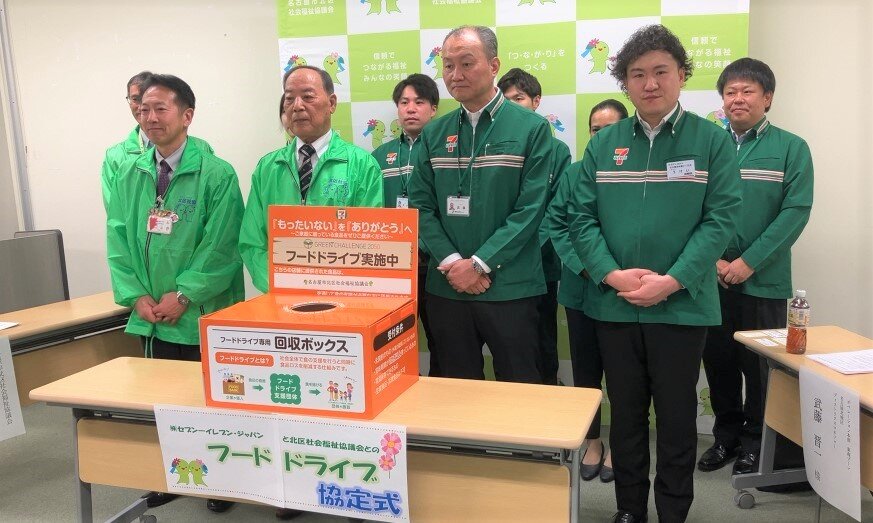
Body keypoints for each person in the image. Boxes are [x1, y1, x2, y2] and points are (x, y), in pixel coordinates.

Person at [567, 24, 741, 523]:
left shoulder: (711, 140)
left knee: (677, 418)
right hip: (615, 306)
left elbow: (721, 218)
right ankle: (629, 510)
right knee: (624, 417)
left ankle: (672, 512)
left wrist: (673, 280)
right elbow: (581, 216)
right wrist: (611, 275)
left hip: (682, 308)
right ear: (625, 82)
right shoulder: (604, 144)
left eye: (661, 71)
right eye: (637, 74)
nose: (649, 83)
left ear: (682, 75)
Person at [106, 74, 245, 514]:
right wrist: (136, 296)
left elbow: (222, 245)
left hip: (200, 312)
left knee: (211, 403)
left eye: (160, 108)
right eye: (143, 109)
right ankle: (174, 475)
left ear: (187, 115)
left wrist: (183, 295)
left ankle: (222, 481)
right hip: (151, 314)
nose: (149, 117)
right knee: (164, 404)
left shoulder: (217, 174)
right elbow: (118, 238)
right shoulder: (130, 172)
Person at [408, 26, 554, 384]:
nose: (455, 75)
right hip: (448, 287)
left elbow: (531, 209)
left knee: (519, 389)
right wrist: (452, 263)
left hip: (510, 287)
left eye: (466, 63)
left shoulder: (532, 128)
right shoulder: (434, 133)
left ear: (493, 65)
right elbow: (420, 205)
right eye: (448, 65)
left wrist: (479, 263)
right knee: (457, 392)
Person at [698, 58, 814, 482]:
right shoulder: (708, 145)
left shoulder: (791, 147)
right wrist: (712, 259)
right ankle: (725, 436)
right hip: (710, 278)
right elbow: (690, 206)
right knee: (719, 363)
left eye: (748, 91)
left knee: (761, 369)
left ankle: (756, 443)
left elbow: (795, 212)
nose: (738, 99)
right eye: (730, 92)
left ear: (768, 98)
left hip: (763, 281)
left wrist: (748, 262)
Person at [239, 65, 384, 295]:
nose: (297, 106)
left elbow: (370, 242)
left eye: (307, 97)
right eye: (289, 99)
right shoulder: (267, 167)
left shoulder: (362, 165)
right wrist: (281, 287)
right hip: (280, 296)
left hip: (340, 297)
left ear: (332, 103)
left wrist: (328, 289)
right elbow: (252, 241)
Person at [547, 99, 627, 483]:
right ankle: (592, 441)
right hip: (581, 289)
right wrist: (591, 269)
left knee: (625, 377)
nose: (602, 136)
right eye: (596, 129)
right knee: (586, 371)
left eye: (611, 129)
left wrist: (617, 275)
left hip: (625, 293)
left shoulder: (638, 172)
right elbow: (557, 224)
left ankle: (622, 446)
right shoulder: (574, 172)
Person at [497, 67, 571, 386]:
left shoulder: (558, 151)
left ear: (536, 101)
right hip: (497, 266)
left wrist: (519, 249)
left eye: (519, 98)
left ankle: (548, 398)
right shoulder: (495, 147)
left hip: (541, 265)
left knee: (543, 342)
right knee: (510, 347)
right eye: (506, 100)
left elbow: (555, 211)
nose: (513, 105)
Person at [372, 74, 442, 376]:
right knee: (394, 338)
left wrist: (426, 246)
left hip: (436, 263)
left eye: (419, 102)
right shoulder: (379, 156)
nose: (410, 109)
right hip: (393, 267)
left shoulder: (445, 151)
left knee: (443, 339)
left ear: (433, 109)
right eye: (404, 102)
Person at [101, 71, 213, 212]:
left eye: (159, 107)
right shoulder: (116, 157)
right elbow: (116, 213)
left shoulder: (202, 149)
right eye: (136, 99)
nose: (142, 107)